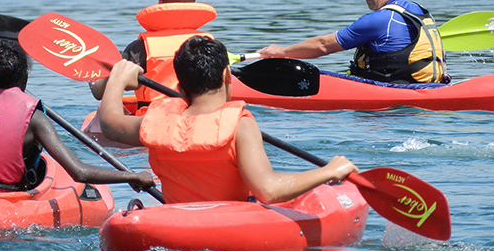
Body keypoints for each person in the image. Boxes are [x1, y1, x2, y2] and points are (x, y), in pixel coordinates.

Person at [99, 35, 358, 205]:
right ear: (227, 76)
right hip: (229, 232)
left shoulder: (155, 120)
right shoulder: (240, 124)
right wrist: (328, 171)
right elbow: (268, 190)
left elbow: (110, 123)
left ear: (180, 86)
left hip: (174, 223)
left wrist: (118, 79)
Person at [0, 40, 155, 193]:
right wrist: (133, 177)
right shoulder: (34, 119)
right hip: (3, 200)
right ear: (25, 76)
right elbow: (79, 172)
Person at [258, 0, 448, 84]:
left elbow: (323, 46)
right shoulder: (419, 11)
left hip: (391, 107)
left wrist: (281, 52)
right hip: (427, 90)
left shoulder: (380, 19)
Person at [89, 0, 217, 112]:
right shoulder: (210, 45)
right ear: (194, 5)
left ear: (160, 4)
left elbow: (99, 92)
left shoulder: (139, 48)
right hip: (199, 118)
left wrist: (92, 72)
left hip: (150, 123)